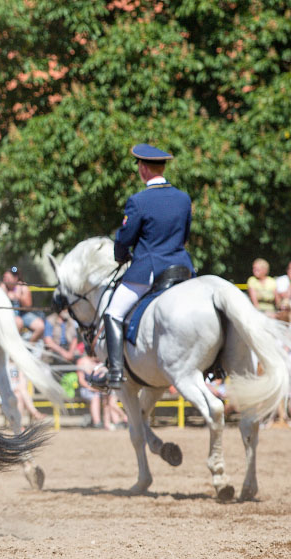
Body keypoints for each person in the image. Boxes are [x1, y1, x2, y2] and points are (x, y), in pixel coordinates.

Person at [89, 144, 195, 391]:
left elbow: (125, 239)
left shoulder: (139, 200)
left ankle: (114, 372)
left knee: (113, 313)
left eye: (139, 166)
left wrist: (121, 256)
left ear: (144, 169)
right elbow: (185, 236)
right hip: (182, 268)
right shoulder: (183, 198)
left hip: (150, 271)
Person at [0, 267, 45, 343]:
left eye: (8, 278)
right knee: (19, 322)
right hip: (8, 314)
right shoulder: (3, 287)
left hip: (22, 314)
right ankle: (13, 347)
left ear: (16, 278)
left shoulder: (23, 287)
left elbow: (28, 307)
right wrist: (6, 294)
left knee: (40, 326)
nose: (5, 280)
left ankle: (28, 347)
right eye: (4, 277)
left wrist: (18, 296)